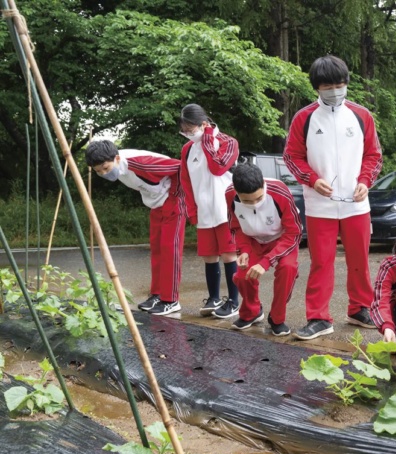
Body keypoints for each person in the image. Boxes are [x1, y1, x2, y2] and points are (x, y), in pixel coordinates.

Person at [284, 55, 383, 340]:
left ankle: (360, 308)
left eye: (340, 85)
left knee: (359, 259)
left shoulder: (361, 115)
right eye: (328, 86)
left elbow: (374, 155)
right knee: (321, 261)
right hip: (319, 204)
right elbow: (292, 157)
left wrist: (365, 181)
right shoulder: (304, 118)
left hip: (356, 203)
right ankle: (318, 317)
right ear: (317, 87)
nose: (335, 91)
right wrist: (312, 180)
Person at [85, 140, 186, 316]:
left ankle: (171, 300)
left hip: (173, 199)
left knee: (170, 249)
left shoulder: (139, 162)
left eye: (106, 168)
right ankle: (157, 294)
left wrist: (174, 196)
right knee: (156, 249)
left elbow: (181, 168)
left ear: (116, 158)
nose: (103, 173)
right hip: (155, 204)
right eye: (98, 172)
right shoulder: (119, 167)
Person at [178, 103, 241, 319]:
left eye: (190, 129)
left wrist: (206, 141)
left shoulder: (228, 142)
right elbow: (186, 183)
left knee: (228, 253)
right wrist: (192, 211)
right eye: (184, 130)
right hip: (204, 210)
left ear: (204, 124)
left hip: (225, 210)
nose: (187, 134)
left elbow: (218, 167)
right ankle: (213, 297)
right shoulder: (187, 150)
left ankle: (234, 300)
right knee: (209, 256)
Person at [226, 161, 303, 335]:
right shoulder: (229, 195)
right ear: (237, 192)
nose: (254, 204)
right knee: (241, 276)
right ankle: (252, 312)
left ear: (263, 185)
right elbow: (236, 226)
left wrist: (266, 261)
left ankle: (277, 318)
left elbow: (294, 232)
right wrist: (244, 250)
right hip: (252, 240)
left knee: (287, 269)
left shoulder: (280, 191)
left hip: (282, 239)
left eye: (259, 198)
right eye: (247, 201)